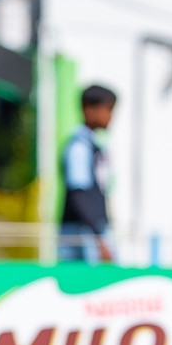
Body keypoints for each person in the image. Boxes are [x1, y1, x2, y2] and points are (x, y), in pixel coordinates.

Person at [59, 85, 116, 263]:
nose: (110, 116)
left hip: (93, 232)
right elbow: (79, 196)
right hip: (82, 234)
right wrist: (99, 239)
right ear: (88, 110)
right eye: (107, 109)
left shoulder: (95, 147)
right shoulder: (78, 148)